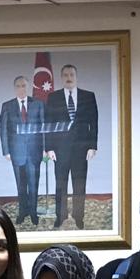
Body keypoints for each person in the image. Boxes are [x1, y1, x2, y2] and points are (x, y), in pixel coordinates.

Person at [43, 64, 98, 229]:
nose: (69, 78)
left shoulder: (88, 96)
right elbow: (49, 123)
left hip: (82, 149)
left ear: (76, 76)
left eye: (71, 74)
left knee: (79, 184)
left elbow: (94, 122)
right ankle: (60, 216)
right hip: (60, 150)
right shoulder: (53, 97)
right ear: (61, 77)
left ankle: (78, 216)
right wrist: (49, 148)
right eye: (66, 75)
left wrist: (92, 146)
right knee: (60, 184)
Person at [0, 75, 44, 226]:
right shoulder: (7, 106)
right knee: (21, 185)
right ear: (14, 88)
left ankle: (33, 213)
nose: (21, 89)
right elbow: (3, 130)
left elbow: (43, 127)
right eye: (18, 86)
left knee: (34, 184)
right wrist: (6, 151)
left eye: (24, 85)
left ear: (28, 87)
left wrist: (45, 148)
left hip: (34, 151)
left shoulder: (38, 104)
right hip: (16, 152)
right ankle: (22, 212)